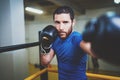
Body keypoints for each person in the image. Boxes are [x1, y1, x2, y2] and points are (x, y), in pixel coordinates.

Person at [40, 6, 87, 80]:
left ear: (73, 22)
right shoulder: (55, 39)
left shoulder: (77, 38)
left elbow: (92, 49)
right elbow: (45, 62)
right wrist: (44, 45)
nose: (61, 27)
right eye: (57, 22)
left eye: (65, 22)